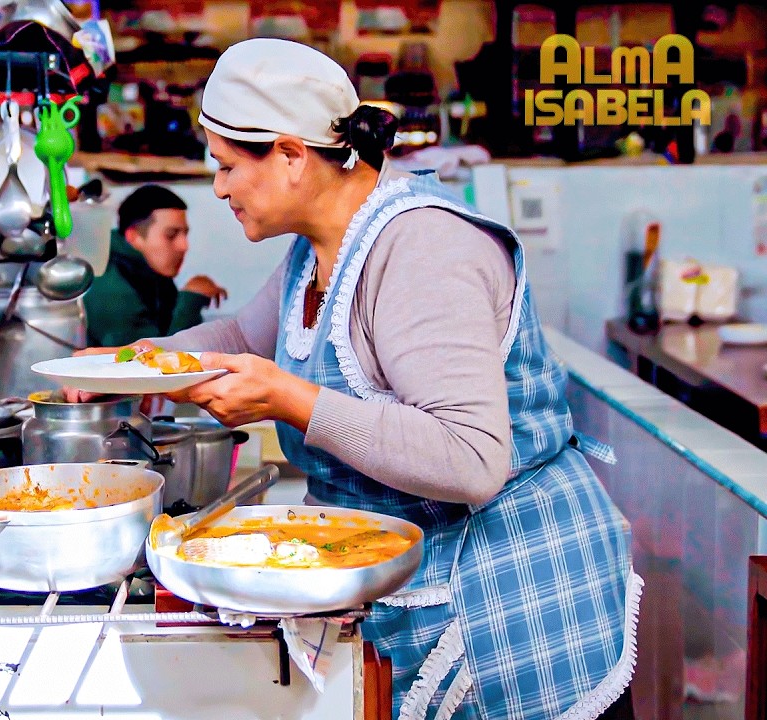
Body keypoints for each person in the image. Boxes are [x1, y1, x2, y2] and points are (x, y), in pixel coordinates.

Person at [80, 39, 639, 720]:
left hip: (516, 611)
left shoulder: (422, 251)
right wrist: (129, 365)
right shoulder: (317, 251)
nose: (220, 187)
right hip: (424, 587)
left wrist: (289, 398)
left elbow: (471, 458)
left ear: (290, 154)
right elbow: (237, 340)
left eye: (227, 167)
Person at [82, 185, 227, 347]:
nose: (184, 246)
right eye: (171, 235)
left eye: (185, 234)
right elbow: (147, 362)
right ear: (133, 236)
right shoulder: (111, 289)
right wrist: (190, 300)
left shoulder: (149, 272)